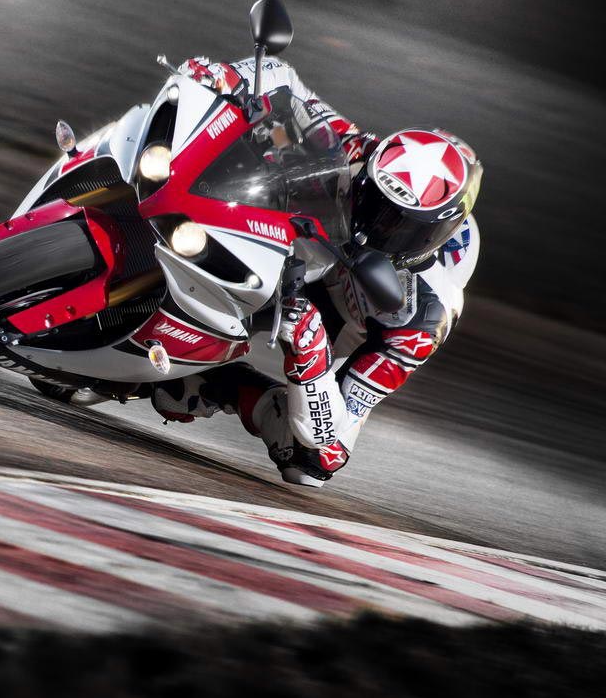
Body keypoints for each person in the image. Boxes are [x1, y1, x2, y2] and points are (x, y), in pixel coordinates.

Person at [152, 56, 482, 487]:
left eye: (401, 226)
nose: (377, 226)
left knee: (309, 465)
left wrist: (312, 352)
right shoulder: (360, 151)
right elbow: (282, 78)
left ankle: (222, 385)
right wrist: (226, 76)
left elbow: (331, 444)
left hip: (329, 322)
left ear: (434, 238)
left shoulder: (419, 318)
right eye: (375, 203)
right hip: (291, 240)